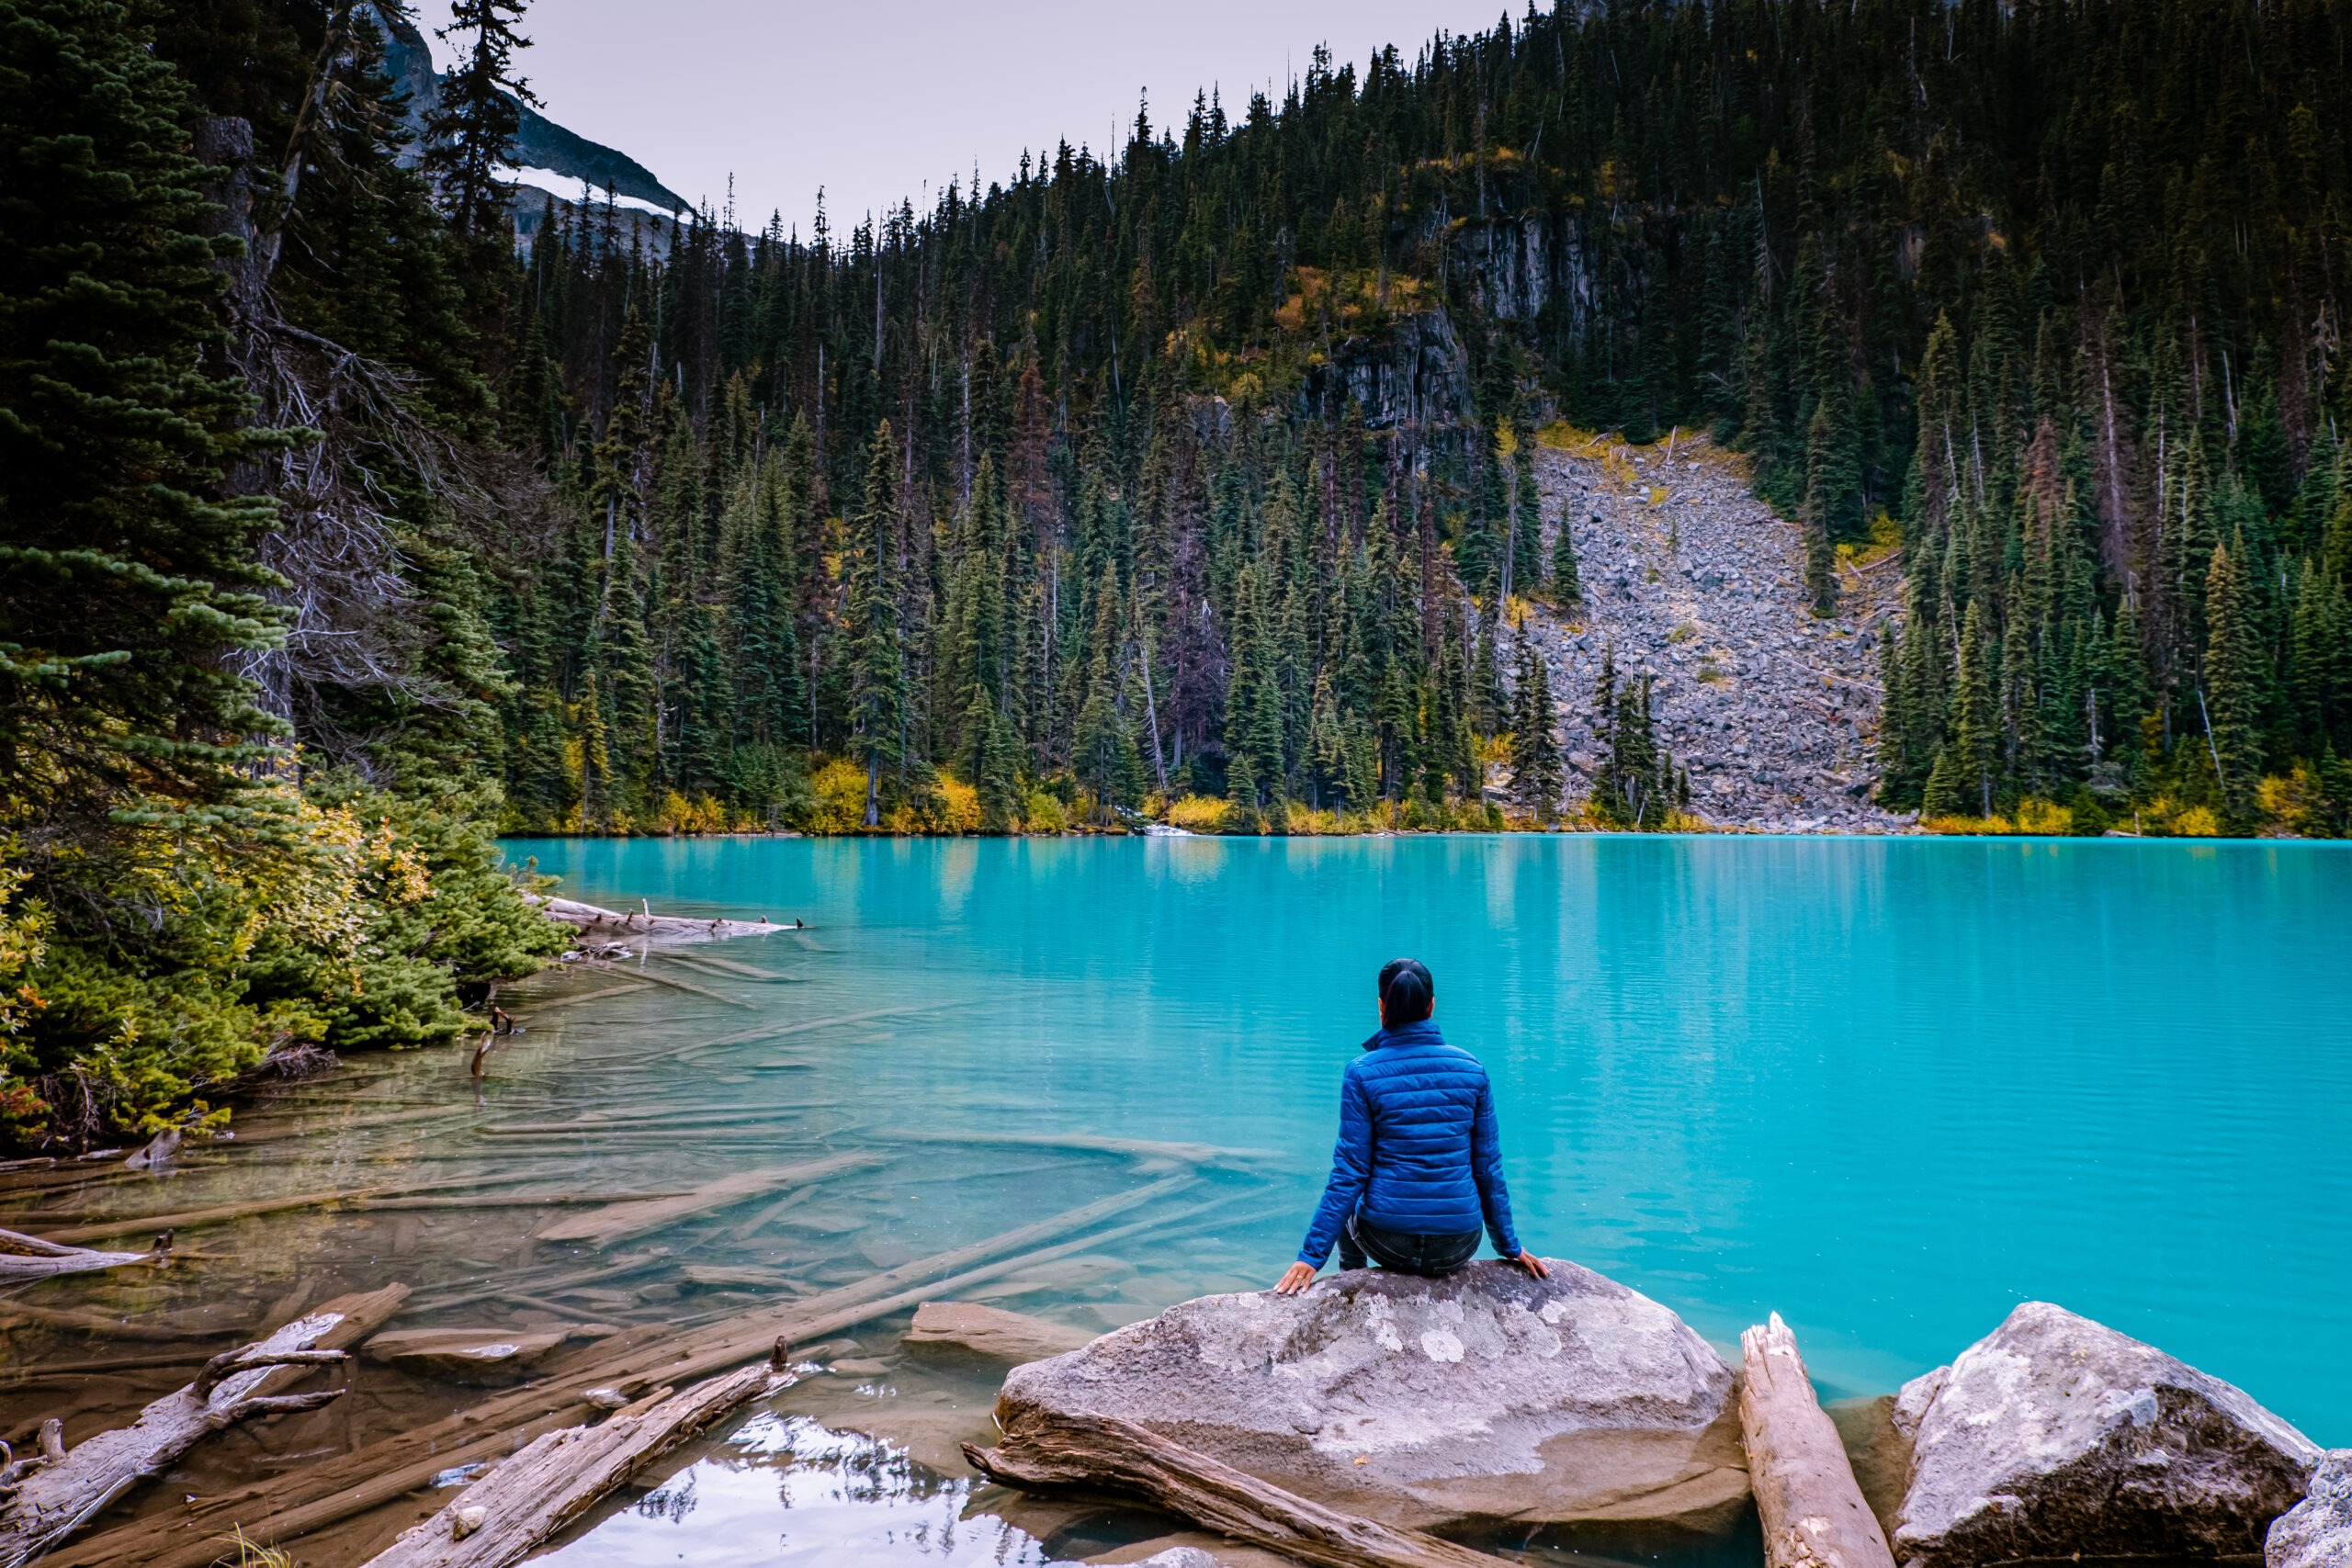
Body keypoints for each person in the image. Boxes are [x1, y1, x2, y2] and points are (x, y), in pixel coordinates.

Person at [1274, 958, 1547, 1294]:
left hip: (1387, 1244)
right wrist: (1510, 1246)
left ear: (1381, 1006)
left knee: (1349, 1202)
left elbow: (1350, 1173)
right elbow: (1487, 1169)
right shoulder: (1472, 1069)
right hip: (1458, 1246)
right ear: (1432, 1006)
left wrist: (1311, 1257)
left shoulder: (1362, 1072)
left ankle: (1351, 1287)